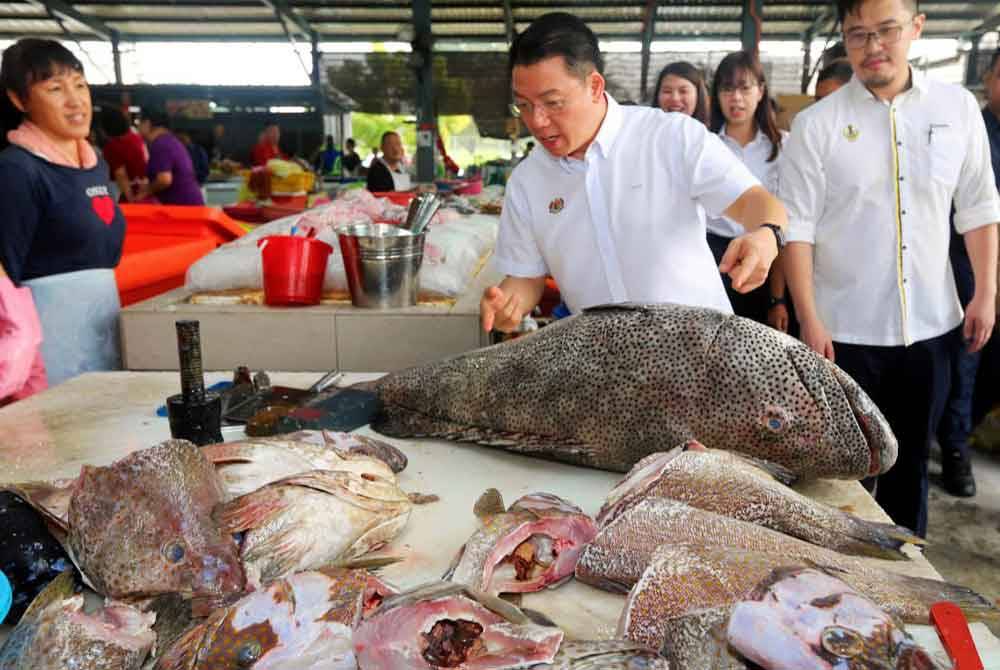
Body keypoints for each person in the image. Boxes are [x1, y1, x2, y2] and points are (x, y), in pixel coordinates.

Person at [779, 0, 999, 536]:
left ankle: (906, 571)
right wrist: (809, 318)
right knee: (838, 475)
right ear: (844, 40)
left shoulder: (956, 109)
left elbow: (979, 207)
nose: (873, 47)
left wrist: (986, 293)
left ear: (915, 29)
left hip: (931, 327)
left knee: (909, 471)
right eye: (858, 35)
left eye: (886, 31)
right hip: (842, 333)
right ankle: (835, 575)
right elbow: (798, 229)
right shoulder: (817, 125)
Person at [481, 12, 787, 333]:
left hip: (700, 356)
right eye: (524, 106)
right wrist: (507, 304)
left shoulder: (670, 137)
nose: (537, 121)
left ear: (595, 86)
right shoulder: (527, 181)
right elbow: (526, 278)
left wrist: (766, 235)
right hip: (604, 368)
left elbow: (757, 202)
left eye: (553, 102)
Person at [0, 38, 126, 390]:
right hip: (48, 349)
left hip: (102, 330)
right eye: (55, 88)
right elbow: (4, 275)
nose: (75, 101)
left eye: (80, 85)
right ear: (17, 99)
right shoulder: (16, 170)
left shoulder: (94, 163)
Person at [937, 48, 1000, 498]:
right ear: (989, 79)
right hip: (962, 259)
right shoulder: (969, 127)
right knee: (963, 356)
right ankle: (955, 447)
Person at [707, 50, 788, 328]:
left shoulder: (783, 148)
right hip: (715, 260)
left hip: (765, 256)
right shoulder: (705, 146)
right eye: (727, 89)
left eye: (745, 87)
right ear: (716, 94)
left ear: (761, 91)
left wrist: (778, 300)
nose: (736, 98)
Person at [137, 108, 204, 206]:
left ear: (147, 123)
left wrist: (146, 190)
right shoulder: (168, 141)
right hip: (188, 204)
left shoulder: (161, 143)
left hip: (184, 208)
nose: (137, 127)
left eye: (139, 123)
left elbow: (164, 179)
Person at [98, 106, 147, 202]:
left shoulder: (113, 146)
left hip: (125, 193)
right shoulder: (135, 137)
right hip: (142, 189)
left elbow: (121, 175)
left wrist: (130, 200)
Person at [652, 61, 710, 126]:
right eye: (667, 91)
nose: (675, 98)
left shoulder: (711, 134)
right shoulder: (644, 130)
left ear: (698, 95)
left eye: (683, 91)